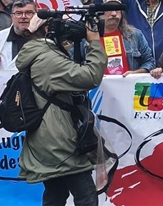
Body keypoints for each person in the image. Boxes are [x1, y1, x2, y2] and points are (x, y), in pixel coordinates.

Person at [15, 11, 107, 205]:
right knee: (86, 196)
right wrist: (94, 43)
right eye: (63, 26)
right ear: (48, 29)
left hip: (47, 136)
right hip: (58, 141)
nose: (68, 30)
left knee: (56, 194)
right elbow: (91, 76)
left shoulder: (40, 52)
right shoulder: (48, 58)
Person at [98, 0, 155, 76]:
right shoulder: (88, 38)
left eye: (117, 9)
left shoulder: (135, 35)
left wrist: (134, 74)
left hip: (128, 84)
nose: (114, 13)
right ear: (99, 12)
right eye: (109, 9)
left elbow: (149, 61)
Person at [0, 0, 37, 70]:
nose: (23, 17)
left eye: (28, 13)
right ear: (12, 17)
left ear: (36, 15)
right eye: (18, 13)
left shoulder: (43, 38)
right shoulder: (0, 37)